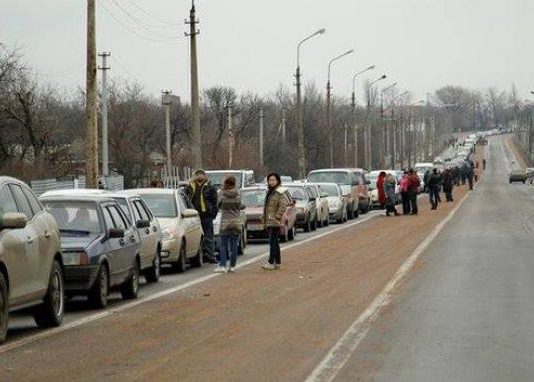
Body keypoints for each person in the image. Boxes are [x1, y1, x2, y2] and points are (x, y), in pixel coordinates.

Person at [186, 169, 219, 264]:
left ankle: (211, 256)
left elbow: (215, 202)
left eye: (201, 174)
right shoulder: (190, 186)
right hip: (193, 216)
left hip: (206, 215)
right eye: (197, 174)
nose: (199, 176)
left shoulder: (210, 187)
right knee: (194, 236)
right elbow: (186, 199)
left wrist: (213, 214)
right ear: (195, 176)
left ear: (204, 176)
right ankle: (195, 256)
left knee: (208, 236)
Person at [214, 176, 244, 273]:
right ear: (234, 184)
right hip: (236, 222)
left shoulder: (222, 194)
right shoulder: (237, 194)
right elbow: (241, 206)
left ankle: (222, 265)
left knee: (223, 245)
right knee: (234, 245)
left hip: (225, 222)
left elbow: (218, 205)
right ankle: (233, 266)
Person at [262, 173, 288, 271]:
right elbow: (267, 207)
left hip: (275, 221)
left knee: (272, 241)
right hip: (270, 220)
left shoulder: (279, 192)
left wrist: (277, 216)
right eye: (270, 180)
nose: (271, 182)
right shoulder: (270, 192)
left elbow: (283, 205)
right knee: (274, 242)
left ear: (277, 181)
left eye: (273, 180)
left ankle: (271, 262)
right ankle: (277, 262)